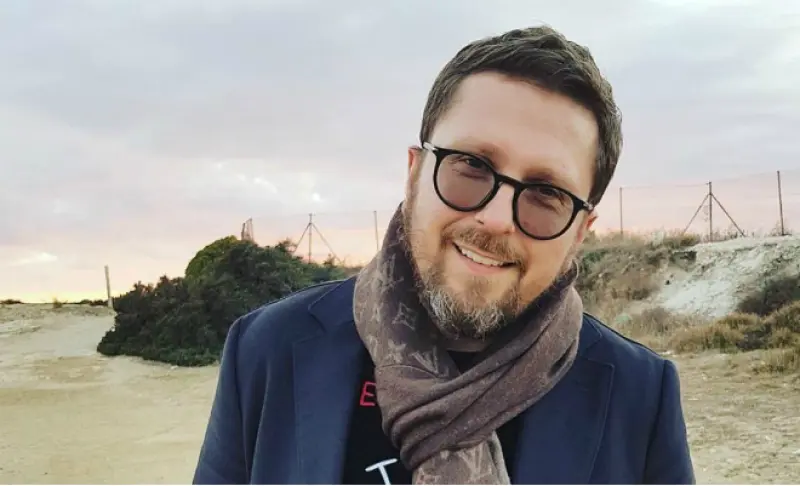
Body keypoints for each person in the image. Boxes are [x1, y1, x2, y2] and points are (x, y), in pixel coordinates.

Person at [193, 25, 695, 485]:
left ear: (581, 230)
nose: (496, 219)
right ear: (414, 173)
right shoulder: (266, 351)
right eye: (471, 166)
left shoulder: (639, 397)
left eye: (547, 194)